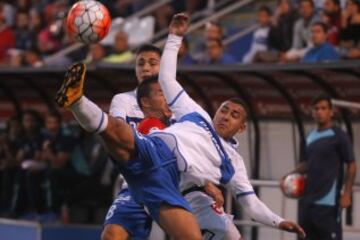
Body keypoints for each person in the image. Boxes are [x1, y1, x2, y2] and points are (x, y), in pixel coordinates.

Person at [54, 13, 306, 240]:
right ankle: (77, 100)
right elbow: (167, 78)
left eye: (234, 115)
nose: (225, 116)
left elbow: (251, 205)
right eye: (224, 109)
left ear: (242, 127)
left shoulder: (234, 162)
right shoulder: (197, 113)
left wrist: (279, 221)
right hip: (155, 151)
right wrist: (174, 37)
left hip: (171, 183)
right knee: (118, 133)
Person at [282, 94, 357, 240]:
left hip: (328, 203)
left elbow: (352, 165)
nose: (319, 112)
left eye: (323, 108)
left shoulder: (339, 136)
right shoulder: (309, 136)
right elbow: (306, 163)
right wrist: (288, 176)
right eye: (316, 109)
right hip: (306, 203)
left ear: (331, 111)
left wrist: (347, 193)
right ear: (312, 112)